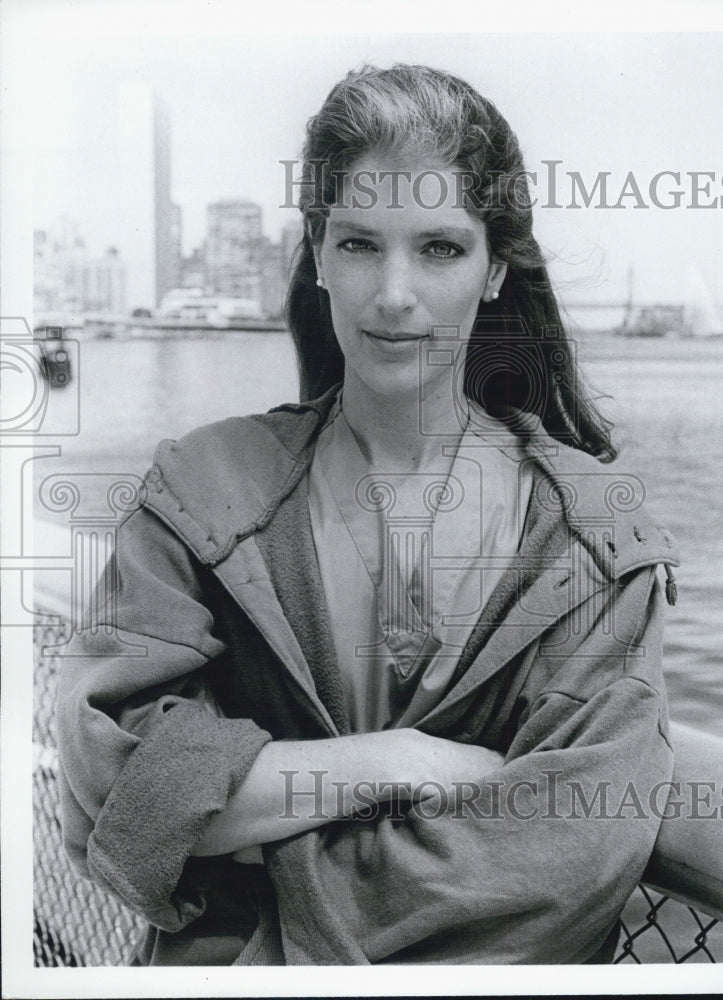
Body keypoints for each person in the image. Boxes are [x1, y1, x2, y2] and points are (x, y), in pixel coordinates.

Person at [56, 63, 680, 966]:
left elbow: (563, 858)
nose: (394, 294)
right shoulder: (202, 489)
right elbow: (110, 776)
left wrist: (241, 841)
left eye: (438, 248)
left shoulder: (593, 537)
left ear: (496, 267)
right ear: (316, 255)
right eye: (358, 243)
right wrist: (388, 761)